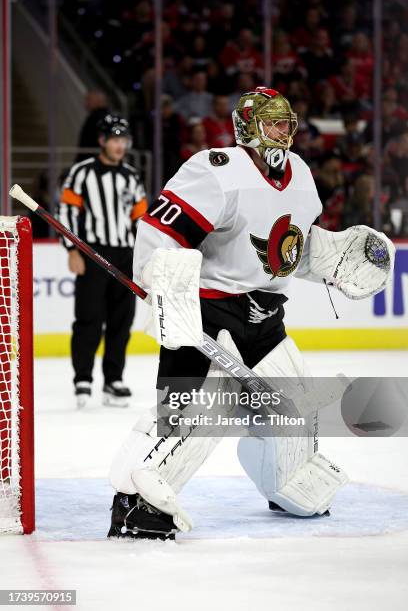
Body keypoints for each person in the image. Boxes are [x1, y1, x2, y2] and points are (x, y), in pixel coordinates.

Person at [107, 88, 394, 540]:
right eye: (273, 123)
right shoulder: (216, 170)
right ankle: (135, 503)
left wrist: (334, 260)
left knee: (296, 405)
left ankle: (284, 482)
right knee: (194, 416)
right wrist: (162, 284)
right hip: (209, 313)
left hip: (265, 317)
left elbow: (291, 249)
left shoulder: (299, 172)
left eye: (287, 123)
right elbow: (161, 235)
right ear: (248, 127)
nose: (284, 132)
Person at [58, 115, 148, 408]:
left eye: (124, 140)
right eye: (115, 139)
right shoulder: (82, 173)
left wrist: (142, 258)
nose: (120, 145)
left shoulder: (131, 176)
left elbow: (141, 220)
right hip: (93, 253)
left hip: (125, 256)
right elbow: (68, 212)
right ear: (102, 141)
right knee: (89, 318)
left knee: (122, 321)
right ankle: (83, 379)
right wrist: (72, 249)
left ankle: (114, 379)